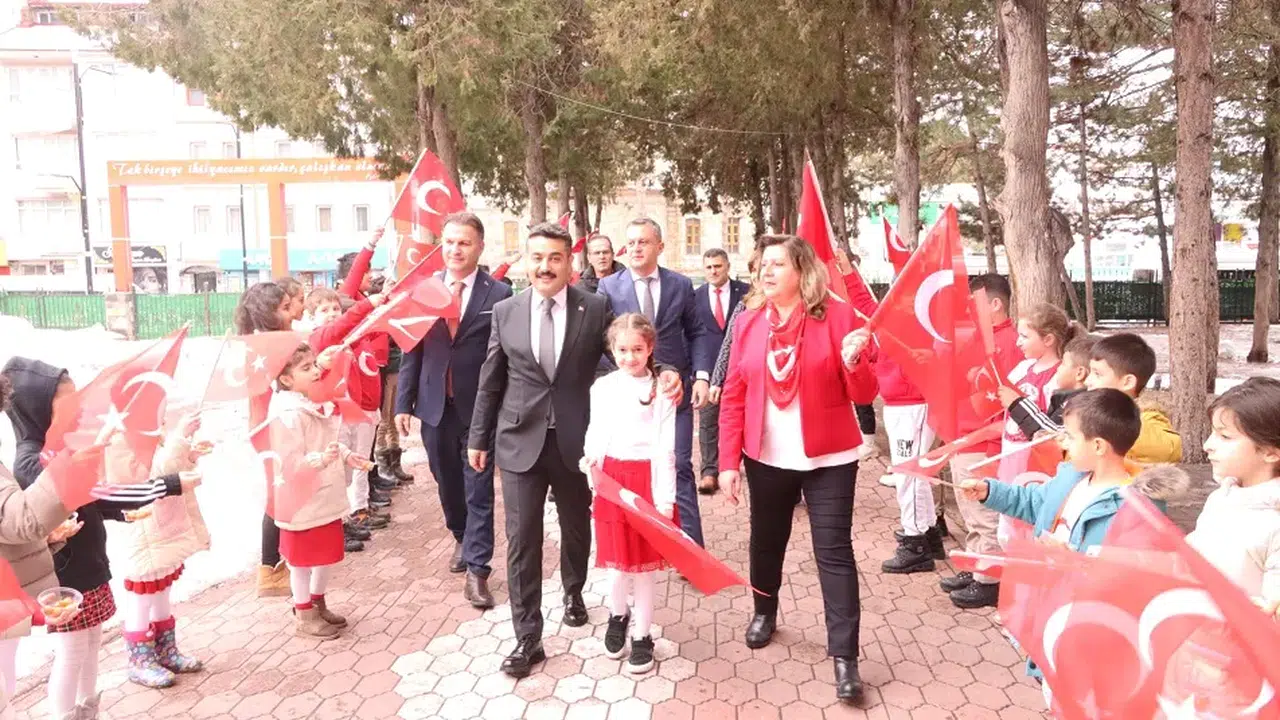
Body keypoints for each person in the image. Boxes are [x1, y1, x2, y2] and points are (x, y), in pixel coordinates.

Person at [466, 222, 684, 679]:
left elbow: (626, 346)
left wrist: (664, 370)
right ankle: (528, 636)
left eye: (555, 258)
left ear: (570, 263)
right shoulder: (506, 311)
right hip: (519, 440)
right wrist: (478, 437)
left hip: (575, 442)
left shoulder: (594, 306)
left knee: (576, 529)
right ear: (527, 262)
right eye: (537, 257)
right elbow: (491, 377)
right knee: (522, 538)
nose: (545, 266)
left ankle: (574, 591)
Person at [717, 234, 878, 704]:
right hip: (766, 457)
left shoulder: (839, 318)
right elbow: (734, 394)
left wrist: (854, 360)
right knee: (766, 542)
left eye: (777, 264)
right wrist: (726, 462)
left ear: (802, 272)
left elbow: (865, 394)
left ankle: (845, 656)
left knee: (835, 553)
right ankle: (764, 611)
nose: (765, 272)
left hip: (829, 458)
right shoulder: (747, 322)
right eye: (762, 264)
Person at [957, 389, 1188, 705]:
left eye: (1070, 436)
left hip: (1091, 629)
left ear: (1098, 446)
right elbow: (1034, 502)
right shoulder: (1070, 478)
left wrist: (1076, 562)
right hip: (1051, 608)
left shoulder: (1138, 508)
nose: (1062, 443)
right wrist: (989, 491)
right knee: (1053, 689)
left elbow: (1135, 575)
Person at [2, 358, 196, 718]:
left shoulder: (63, 446)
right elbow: (40, 514)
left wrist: (118, 511)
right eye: (67, 403)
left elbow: (89, 496)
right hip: (65, 576)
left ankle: (88, 708)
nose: (78, 409)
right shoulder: (30, 461)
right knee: (71, 652)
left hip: (90, 563)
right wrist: (163, 485)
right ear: (37, 409)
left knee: (91, 644)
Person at [396, 213, 512, 608]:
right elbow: (412, 348)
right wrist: (403, 401)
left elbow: (506, 357)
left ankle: (478, 569)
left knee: (479, 487)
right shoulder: (424, 291)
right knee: (446, 481)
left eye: (464, 242)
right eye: (449, 242)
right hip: (434, 407)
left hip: (479, 410)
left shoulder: (499, 294)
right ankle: (461, 536)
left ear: (479, 247)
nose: (455, 250)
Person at [597, 218, 714, 548]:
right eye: (631, 242)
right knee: (634, 468)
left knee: (678, 465)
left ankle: (689, 547)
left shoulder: (680, 285)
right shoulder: (609, 287)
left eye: (643, 242)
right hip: (630, 396)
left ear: (659, 247)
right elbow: (602, 342)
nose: (635, 248)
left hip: (674, 392)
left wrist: (701, 376)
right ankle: (640, 543)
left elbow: (697, 332)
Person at [579, 314, 676, 675]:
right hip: (611, 481)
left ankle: (642, 633)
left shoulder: (661, 390)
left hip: (646, 480)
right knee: (617, 564)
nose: (630, 357)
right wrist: (591, 461)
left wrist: (665, 500)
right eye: (622, 350)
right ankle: (617, 615)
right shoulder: (602, 387)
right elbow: (596, 429)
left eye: (637, 349)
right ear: (612, 349)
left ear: (650, 348)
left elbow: (666, 446)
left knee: (645, 569)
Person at [0, 374, 92, 720]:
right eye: (64, 404)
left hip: (12, 606)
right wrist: (70, 463)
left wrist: (46, 539)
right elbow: (22, 518)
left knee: (6, 691)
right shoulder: (29, 457)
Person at [269, 344, 373, 640]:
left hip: (323, 496)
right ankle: (304, 613)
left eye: (315, 364)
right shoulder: (287, 413)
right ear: (286, 379)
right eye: (306, 368)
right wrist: (321, 460)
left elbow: (324, 440)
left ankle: (318, 602)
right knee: (302, 562)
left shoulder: (311, 402)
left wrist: (344, 454)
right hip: (302, 500)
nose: (316, 371)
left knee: (324, 555)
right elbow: (288, 460)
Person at [939, 273, 1022, 610]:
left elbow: (1008, 402)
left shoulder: (1009, 344)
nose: (969, 311)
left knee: (984, 513)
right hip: (963, 435)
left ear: (995, 304)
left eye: (974, 304)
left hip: (982, 441)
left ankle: (989, 580)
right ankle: (976, 565)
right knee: (970, 512)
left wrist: (992, 446)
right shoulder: (980, 340)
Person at [114, 412, 211, 689]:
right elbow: (156, 475)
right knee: (142, 599)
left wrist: (189, 455)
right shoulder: (120, 440)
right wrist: (180, 437)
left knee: (161, 593)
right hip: (145, 532)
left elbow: (170, 468)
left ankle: (166, 651)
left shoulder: (150, 434)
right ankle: (140, 661)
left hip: (161, 530)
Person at [305, 286, 392, 550]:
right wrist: (366, 304)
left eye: (335, 309)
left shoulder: (350, 337)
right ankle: (338, 520)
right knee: (337, 471)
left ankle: (356, 510)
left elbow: (373, 327)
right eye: (324, 310)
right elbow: (341, 325)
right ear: (312, 316)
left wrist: (387, 305)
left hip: (359, 410)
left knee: (358, 463)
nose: (332, 314)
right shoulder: (320, 337)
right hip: (336, 414)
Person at [994, 304, 1081, 548]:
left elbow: (1051, 428)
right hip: (1010, 453)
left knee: (1028, 519)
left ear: (1048, 339)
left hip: (1036, 461)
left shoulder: (1058, 378)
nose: (1018, 342)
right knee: (1007, 519)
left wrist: (1017, 403)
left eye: (1024, 336)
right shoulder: (1022, 369)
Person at [1188, 377, 1280, 608]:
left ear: (1270, 452)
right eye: (1212, 433)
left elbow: (1270, 608)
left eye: (1225, 437)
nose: (1207, 445)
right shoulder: (1220, 498)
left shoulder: (1274, 522)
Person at [233, 282, 298, 598]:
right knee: (277, 497)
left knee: (284, 493)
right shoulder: (266, 347)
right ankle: (269, 570)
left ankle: (282, 561)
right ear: (268, 314)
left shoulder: (267, 342)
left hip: (273, 426)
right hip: (269, 429)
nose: (293, 312)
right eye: (286, 307)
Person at [874, 348, 940, 573]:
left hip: (914, 399)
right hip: (897, 397)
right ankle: (928, 533)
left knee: (909, 474)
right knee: (913, 473)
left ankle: (915, 543)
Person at [691, 249, 747, 495]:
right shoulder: (695, 297)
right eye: (709, 267)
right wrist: (699, 372)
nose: (713, 271)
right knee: (708, 421)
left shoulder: (746, 293)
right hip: (709, 369)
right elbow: (691, 335)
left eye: (718, 266)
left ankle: (740, 463)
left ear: (727, 266)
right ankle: (709, 472)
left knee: (743, 419)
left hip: (741, 367)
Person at [1084, 332, 1183, 465]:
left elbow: (1170, 448)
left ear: (1127, 382)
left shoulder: (1148, 416)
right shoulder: (1084, 411)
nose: (1087, 381)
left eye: (1097, 374)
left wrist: (1109, 422)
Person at [1004, 334, 1097, 437]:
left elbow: (1049, 436)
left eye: (1063, 364)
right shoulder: (1066, 400)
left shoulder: (1080, 408)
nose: (1058, 368)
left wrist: (1017, 405)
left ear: (1079, 373)